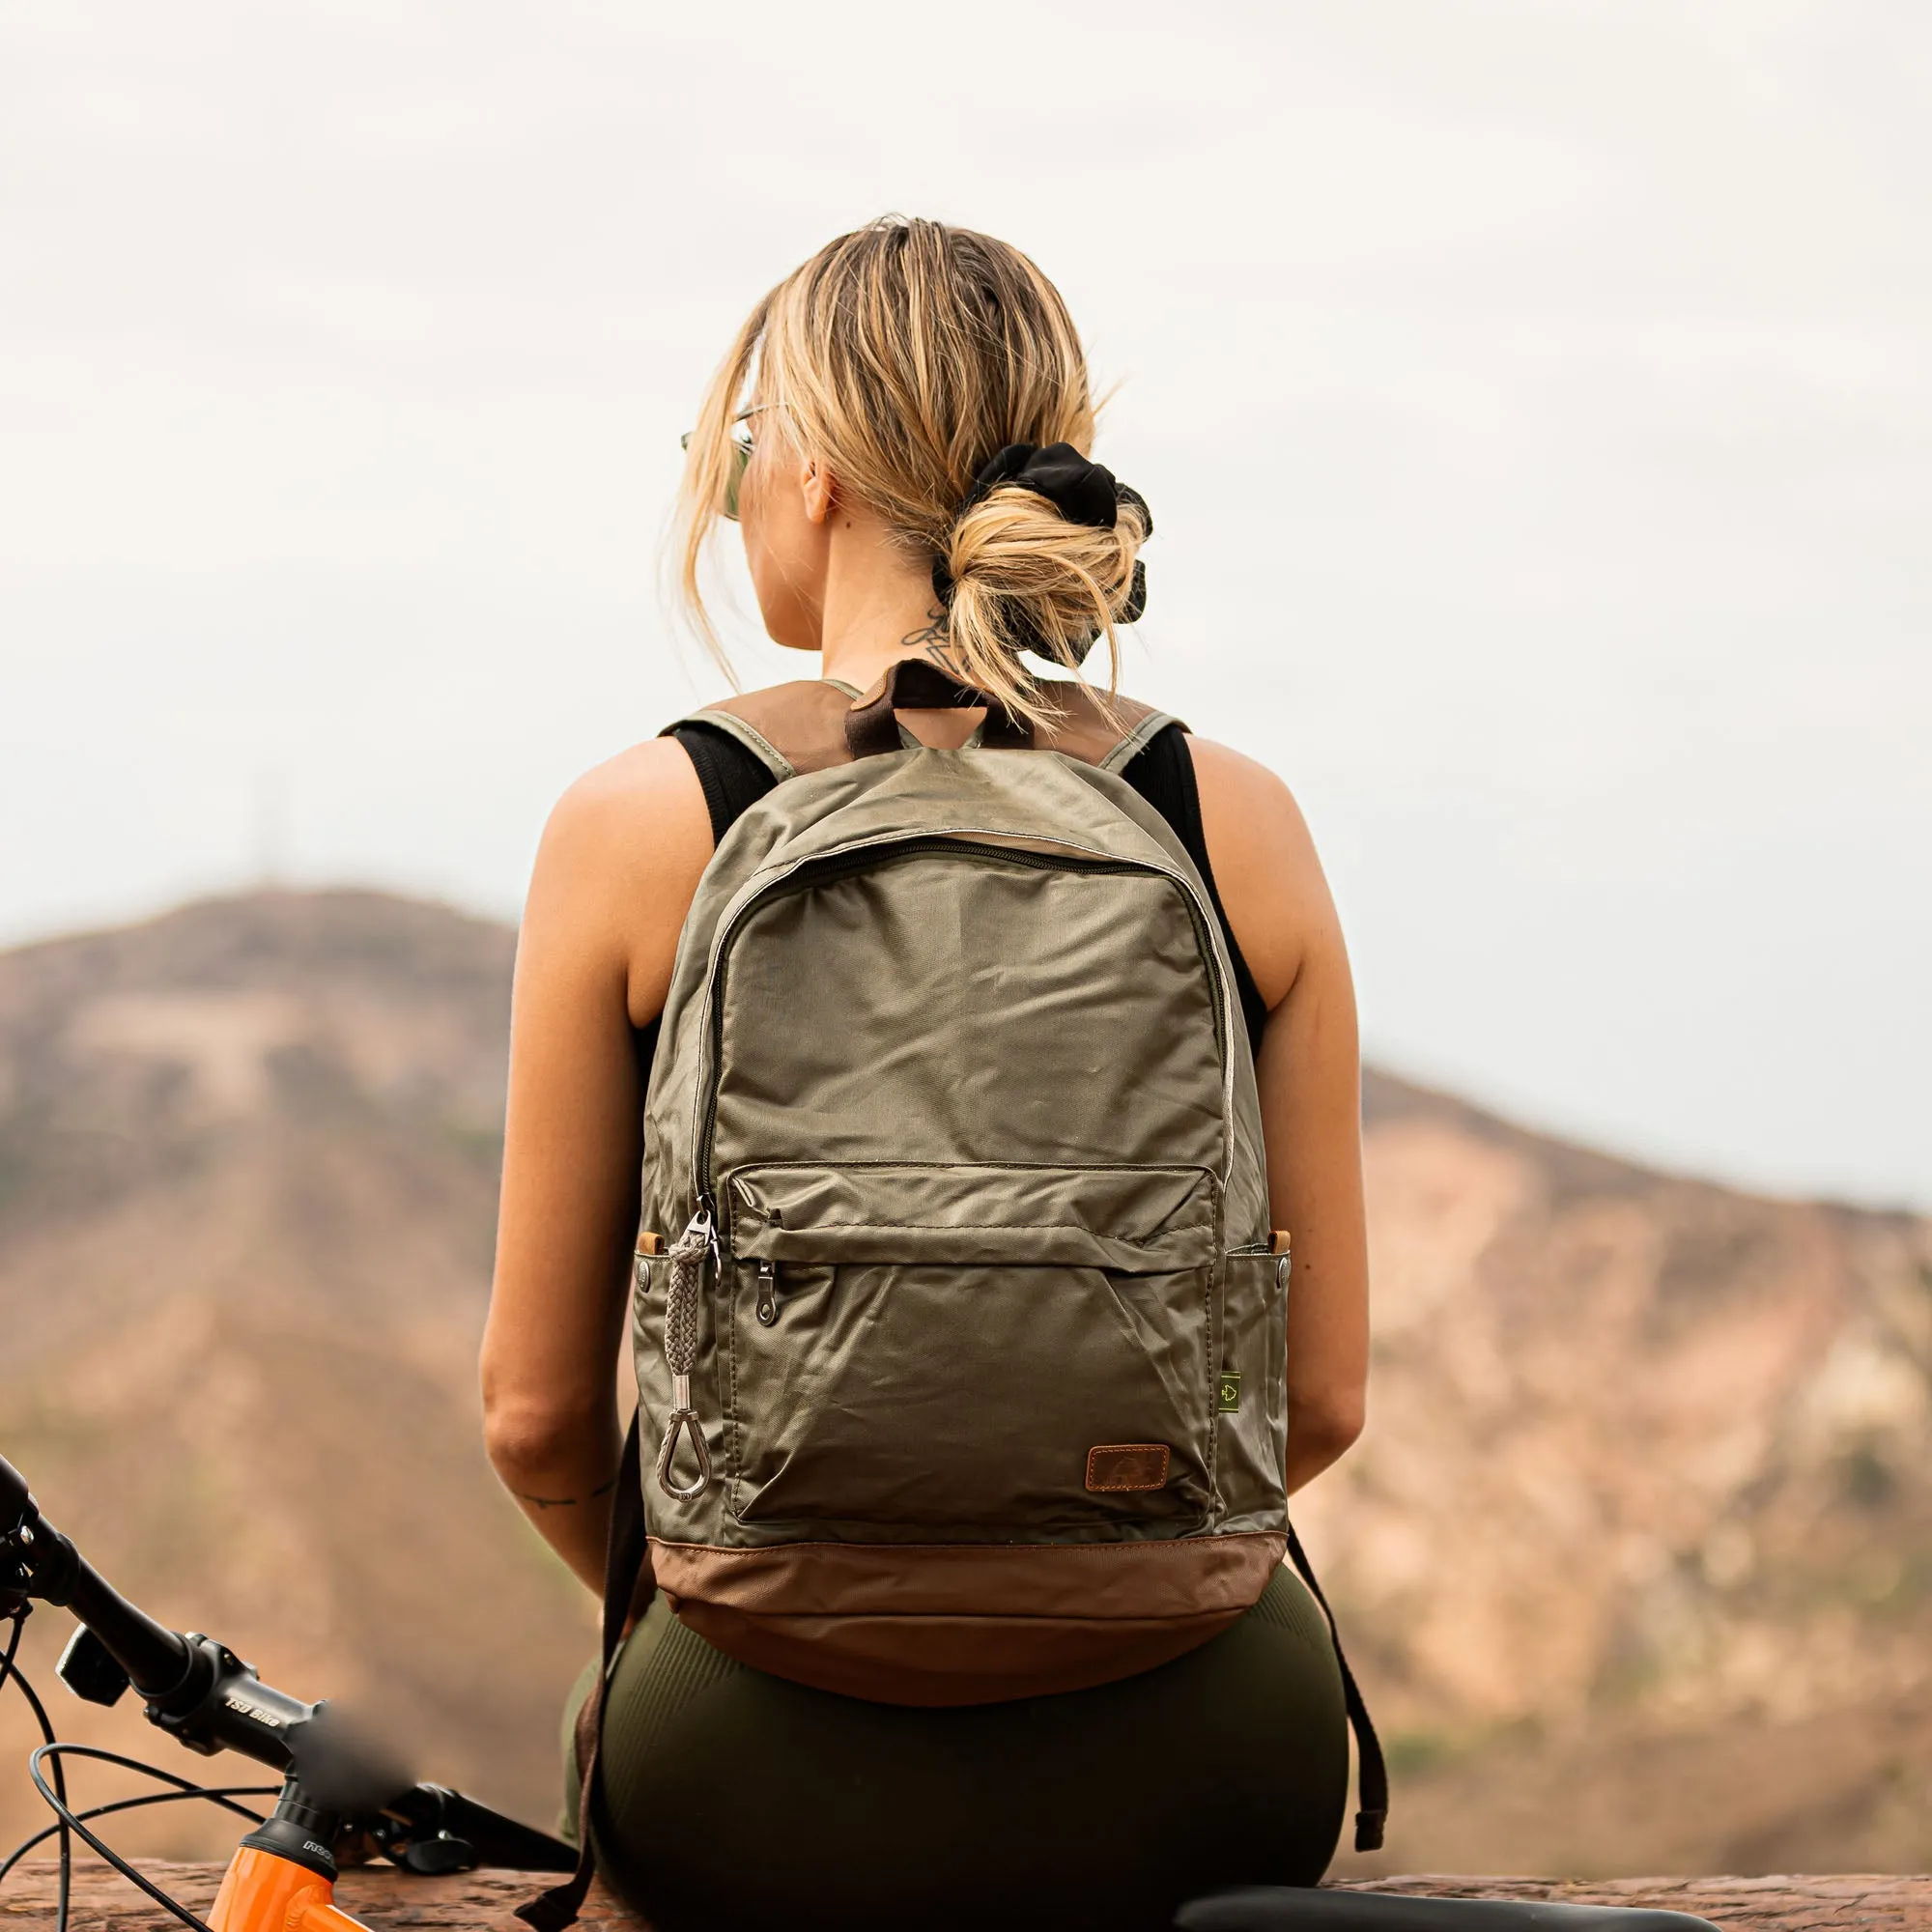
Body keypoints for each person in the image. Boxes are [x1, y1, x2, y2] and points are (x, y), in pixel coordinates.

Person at [479, 216, 1372, 1932]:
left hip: (747, 1765)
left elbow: (533, 1421)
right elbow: (1319, 1405)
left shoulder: (637, 826)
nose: (734, 489)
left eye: (737, 447)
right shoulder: (1229, 820)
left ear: (806, 469)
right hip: (1209, 1754)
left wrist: (774, 1581)